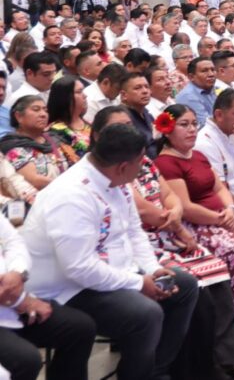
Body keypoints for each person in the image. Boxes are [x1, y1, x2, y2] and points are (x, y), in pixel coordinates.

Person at [21, 123, 200, 380]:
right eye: (140, 163)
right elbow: (80, 268)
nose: (142, 170)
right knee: (145, 315)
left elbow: (133, 231)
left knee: (184, 285)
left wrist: (152, 269)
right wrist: (139, 282)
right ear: (123, 166)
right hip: (66, 288)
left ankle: (157, 371)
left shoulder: (116, 178)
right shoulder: (71, 195)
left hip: (109, 270)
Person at [153, 104, 234, 347]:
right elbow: (185, 207)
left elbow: (220, 188)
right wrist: (220, 219)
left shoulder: (199, 155)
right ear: (168, 129)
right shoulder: (166, 163)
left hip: (223, 217)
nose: (192, 129)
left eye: (194, 123)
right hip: (197, 226)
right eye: (184, 124)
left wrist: (230, 211)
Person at [0, 213, 97, 380]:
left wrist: (18, 271)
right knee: (25, 360)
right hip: (11, 302)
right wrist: (20, 300)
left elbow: (13, 241)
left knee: (79, 328)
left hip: (12, 300)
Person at [46, 75, 92, 163]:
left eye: (83, 91)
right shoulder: (55, 131)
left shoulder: (88, 123)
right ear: (65, 97)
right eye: (79, 92)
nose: (85, 96)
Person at [175, 57, 217, 127]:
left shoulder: (215, 89)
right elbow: (206, 123)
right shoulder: (188, 96)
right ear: (191, 77)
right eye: (204, 71)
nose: (211, 74)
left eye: (213, 70)